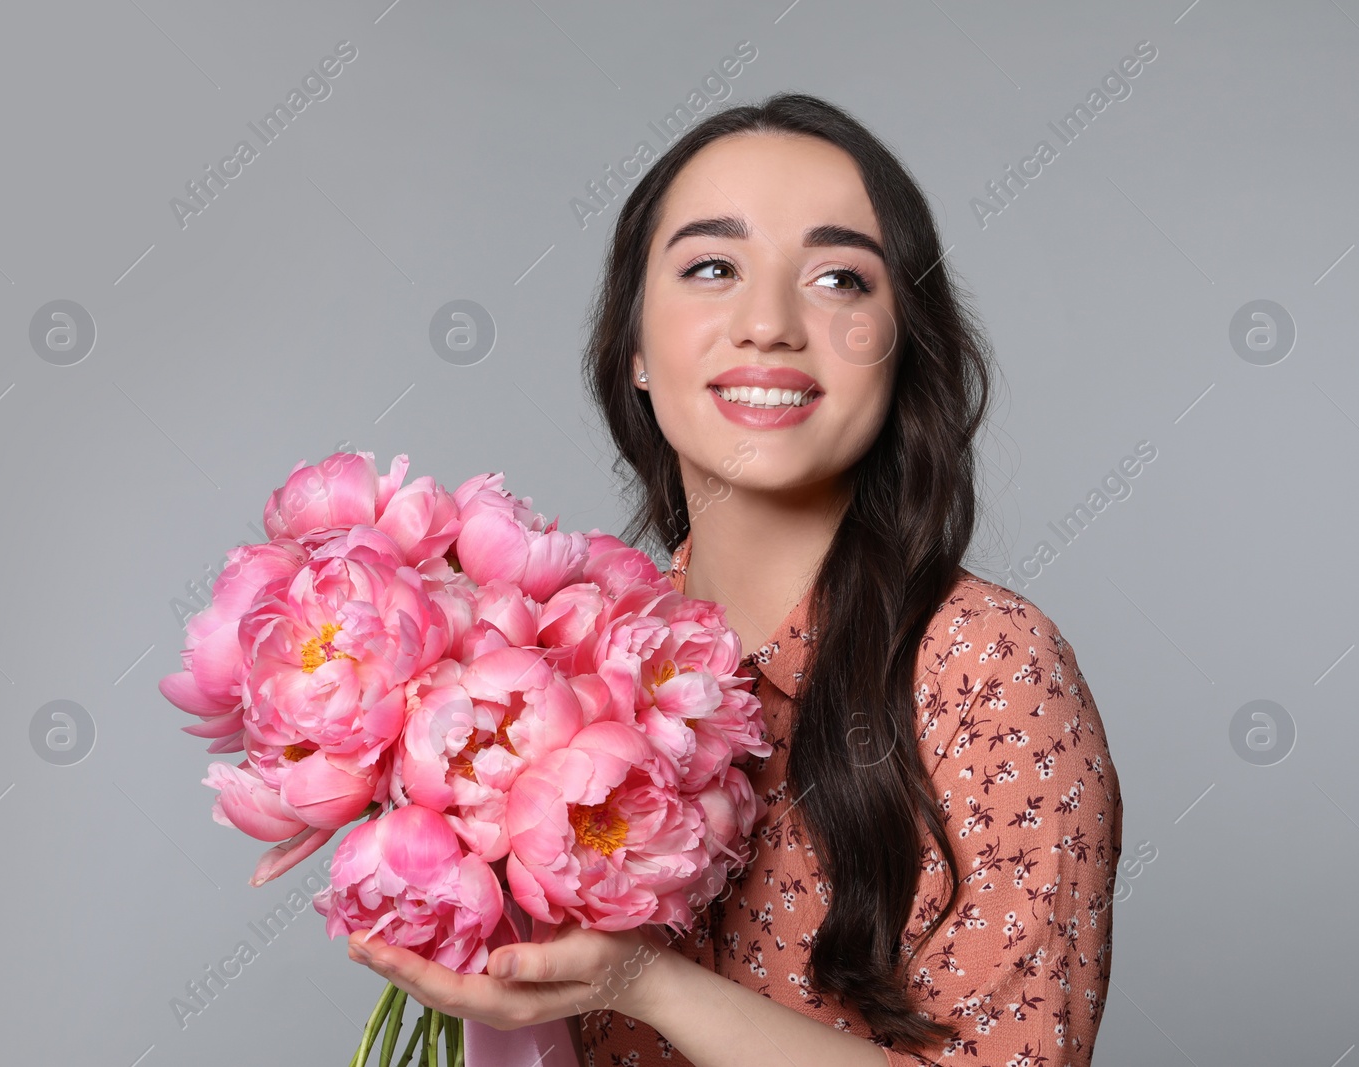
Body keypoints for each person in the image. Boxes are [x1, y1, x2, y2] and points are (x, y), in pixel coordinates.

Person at [349, 91, 1123, 1067]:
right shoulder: (538, 664)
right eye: (713, 267)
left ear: (902, 350)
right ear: (634, 346)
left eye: (839, 278)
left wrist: (644, 982)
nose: (768, 323)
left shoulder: (986, 669)